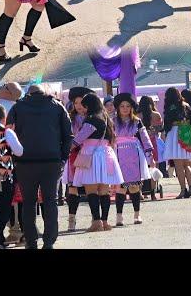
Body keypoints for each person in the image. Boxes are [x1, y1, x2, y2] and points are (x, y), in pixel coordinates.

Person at [6, 84, 72, 249]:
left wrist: (14, 158)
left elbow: (9, 135)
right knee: (50, 201)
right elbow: (68, 135)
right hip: (51, 161)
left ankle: (31, 241)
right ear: (44, 93)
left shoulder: (17, 107)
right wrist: (63, 158)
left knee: (28, 203)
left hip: (25, 163)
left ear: (28, 93)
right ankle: (49, 241)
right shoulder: (57, 106)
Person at [72, 93, 123, 232]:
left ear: (88, 106)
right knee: (104, 190)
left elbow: (78, 140)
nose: (83, 110)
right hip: (106, 154)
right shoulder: (107, 120)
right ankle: (105, 222)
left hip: (91, 154)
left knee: (91, 190)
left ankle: (96, 221)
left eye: (84, 106)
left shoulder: (90, 120)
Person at [112, 93, 154, 226]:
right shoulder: (112, 121)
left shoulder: (137, 121)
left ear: (132, 108)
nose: (125, 108)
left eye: (128, 106)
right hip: (118, 154)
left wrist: (149, 155)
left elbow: (145, 138)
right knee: (121, 187)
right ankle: (119, 216)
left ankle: (137, 214)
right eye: (122, 106)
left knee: (135, 186)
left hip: (134, 154)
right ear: (118, 108)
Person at [0, 104, 23, 248]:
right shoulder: (6, 132)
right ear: (4, 118)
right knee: (4, 208)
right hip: (5, 174)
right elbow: (19, 151)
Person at [62, 86, 94, 231]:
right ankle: (71, 218)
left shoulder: (94, 118)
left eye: (82, 103)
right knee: (72, 187)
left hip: (90, 155)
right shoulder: (69, 119)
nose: (79, 106)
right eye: (76, 103)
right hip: (74, 155)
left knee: (91, 187)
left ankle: (96, 217)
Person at [160, 88, 191, 199]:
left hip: (175, 134)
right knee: (186, 164)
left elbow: (167, 124)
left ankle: (183, 190)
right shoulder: (186, 105)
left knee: (178, 166)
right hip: (187, 133)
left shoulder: (170, 107)